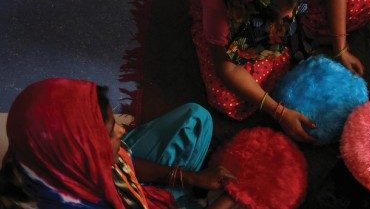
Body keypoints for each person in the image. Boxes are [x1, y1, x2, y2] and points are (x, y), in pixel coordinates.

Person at [188, 0, 370, 142]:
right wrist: (278, 112)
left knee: (362, 6)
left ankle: (285, 48)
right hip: (232, 14)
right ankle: (286, 47)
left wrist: (341, 48)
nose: (287, 21)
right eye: (278, 19)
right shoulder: (219, 7)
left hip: (277, 2)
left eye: (292, 12)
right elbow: (226, 67)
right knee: (229, 101)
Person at [0, 78, 237, 209]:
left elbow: (123, 159)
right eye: (112, 132)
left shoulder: (39, 155)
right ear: (83, 157)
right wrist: (235, 197)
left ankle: (178, 193)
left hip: (125, 187)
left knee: (195, 119)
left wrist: (189, 177)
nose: (122, 131)